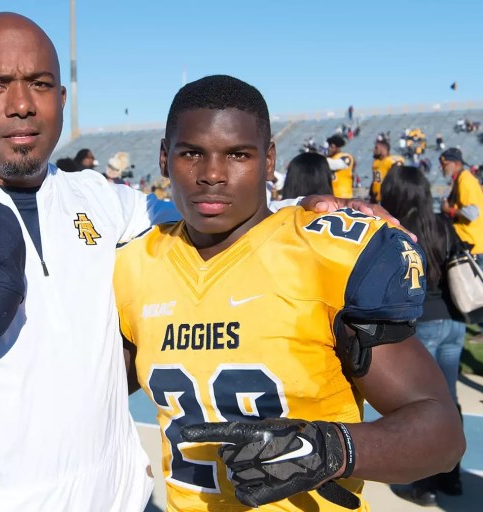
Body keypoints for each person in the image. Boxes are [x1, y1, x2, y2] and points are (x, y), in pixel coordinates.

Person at [0, 13, 401, 512]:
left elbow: (215, 207)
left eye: (39, 84)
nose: (21, 104)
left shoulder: (103, 201)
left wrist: (302, 205)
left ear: (61, 98)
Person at [116, 75, 464, 512]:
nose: (212, 175)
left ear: (268, 161)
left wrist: (331, 449)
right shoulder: (132, 266)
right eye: (192, 154)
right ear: (165, 159)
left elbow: (442, 433)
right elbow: (89, 391)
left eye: (238, 155)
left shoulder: (324, 255)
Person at [381, 166, 466, 506]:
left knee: (418, 408)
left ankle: (423, 481)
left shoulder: (393, 230)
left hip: (421, 325)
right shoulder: (443, 225)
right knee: (449, 401)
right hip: (452, 322)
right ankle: (452, 477)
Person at [440, 147, 483, 266]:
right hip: (469, 244)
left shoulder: (465, 180)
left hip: (473, 246)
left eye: (445, 164)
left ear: (457, 163)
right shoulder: (460, 179)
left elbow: (472, 213)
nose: (442, 167)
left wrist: (448, 210)